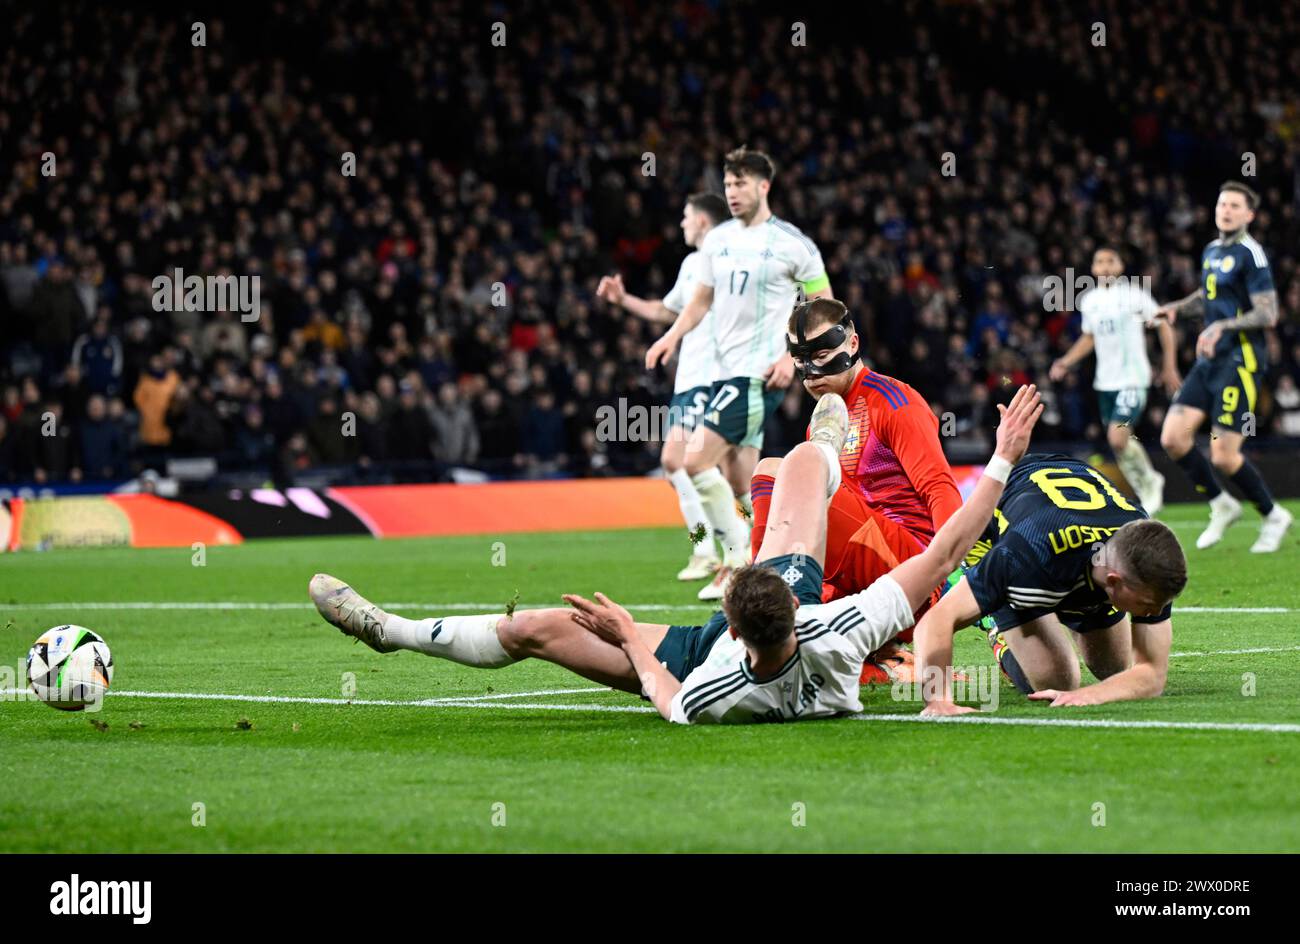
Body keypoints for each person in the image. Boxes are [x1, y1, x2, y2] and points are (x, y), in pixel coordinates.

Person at [308, 386, 1045, 725]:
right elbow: (949, 545)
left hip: (691, 654)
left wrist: (629, 634)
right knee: (796, 471)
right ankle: (823, 453)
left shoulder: (718, 686)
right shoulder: (833, 627)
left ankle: (389, 631)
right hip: (800, 639)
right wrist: (1004, 458)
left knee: (532, 627)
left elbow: (667, 696)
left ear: (733, 618)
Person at [645, 147, 833, 600]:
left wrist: (792, 356)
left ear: (763, 186)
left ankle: (732, 560)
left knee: (689, 462)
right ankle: (782, 551)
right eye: (728, 184)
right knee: (740, 484)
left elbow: (821, 303)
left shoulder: (792, 243)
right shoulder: (718, 241)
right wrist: (671, 336)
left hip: (754, 376)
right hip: (719, 376)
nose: (732, 192)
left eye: (741, 183)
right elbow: (701, 301)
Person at [913, 454, 1187, 715]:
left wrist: (1091, 695)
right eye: (1149, 605)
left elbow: (1151, 674)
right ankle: (996, 625)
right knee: (1057, 680)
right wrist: (938, 701)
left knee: (1115, 669)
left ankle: (1072, 609)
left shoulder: (1143, 550)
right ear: (1114, 581)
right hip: (1004, 531)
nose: (1155, 612)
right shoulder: (1023, 556)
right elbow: (936, 620)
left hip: (1072, 538)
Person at [597, 192, 737, 584]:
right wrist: (623, 300)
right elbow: (665, 310)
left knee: (679, 462)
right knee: (699, 470)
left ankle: (716, 549)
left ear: (704, 222)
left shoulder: (729, 260)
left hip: (714, 377)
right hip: (689, 381)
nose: (681, 224)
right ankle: (720, 550)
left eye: (686, 216)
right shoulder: (693, 264)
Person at [1156, 181, 1292, 552]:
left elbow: (1268, 312)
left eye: (1235, 205)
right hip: (1209, 361)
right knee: (1173, 437)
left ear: (1249, 215)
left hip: (1241, 360)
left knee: (1223, 454)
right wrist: (1177, 308)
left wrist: (1222, 326)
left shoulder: (1253, 254)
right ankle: (1221, 503)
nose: (1226, 210)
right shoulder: (1212, 250)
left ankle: (1272, 514)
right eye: (1222, 204)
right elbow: (1209, 296)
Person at [1049, 244, 1179, 513]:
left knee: (1118, 437)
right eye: (1100, 262)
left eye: (1111, 261)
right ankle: (1147, 483)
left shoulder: (1134, 295)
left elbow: (1164, 324)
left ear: (1120, 267)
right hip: (1105, 382)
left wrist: (1169, 366)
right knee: (1118, 442)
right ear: (1094, 269)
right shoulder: (1090, 301)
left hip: (1132, 377)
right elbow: (1089, 338)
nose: (1106, 266)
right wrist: (1066, 362)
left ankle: (1150, 484)